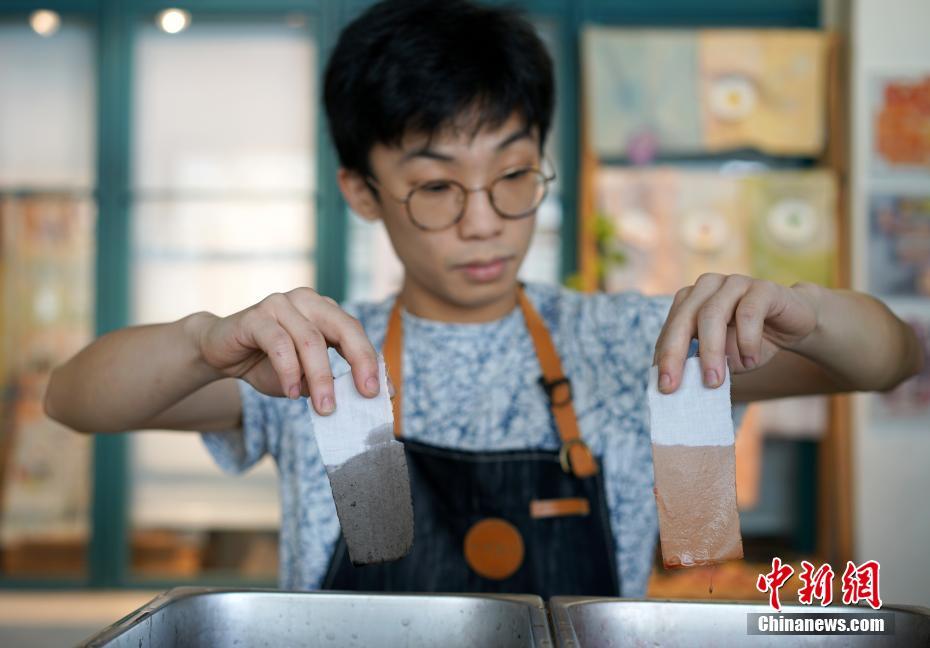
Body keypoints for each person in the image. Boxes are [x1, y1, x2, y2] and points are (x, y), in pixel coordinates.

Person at [45, 0, 922, 598]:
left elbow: (893, 356)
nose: (483, 223)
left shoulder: (633, 345)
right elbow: (75, 398)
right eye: (435, 187)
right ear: (360, 189)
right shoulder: (318, 359)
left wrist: (806, 312)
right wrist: (203, 340)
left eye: (511, 176)